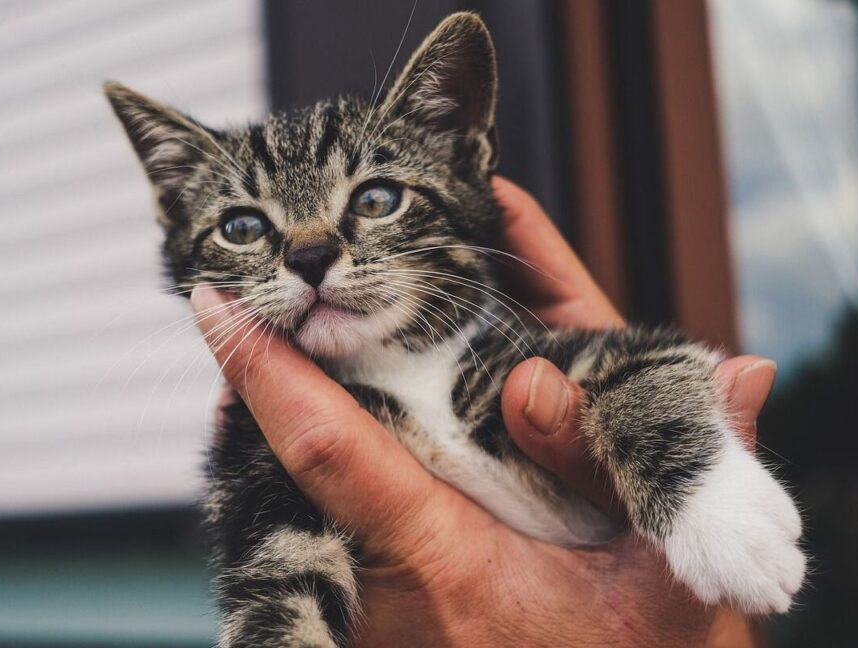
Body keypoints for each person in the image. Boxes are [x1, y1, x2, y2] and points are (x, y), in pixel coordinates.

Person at [190, 176, 776, 646]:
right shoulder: (267, 444)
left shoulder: (504, 367)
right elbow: (275, 599)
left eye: (373, 199)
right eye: (245, 227)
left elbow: (651, 367)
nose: (310, 252)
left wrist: (684, 475)